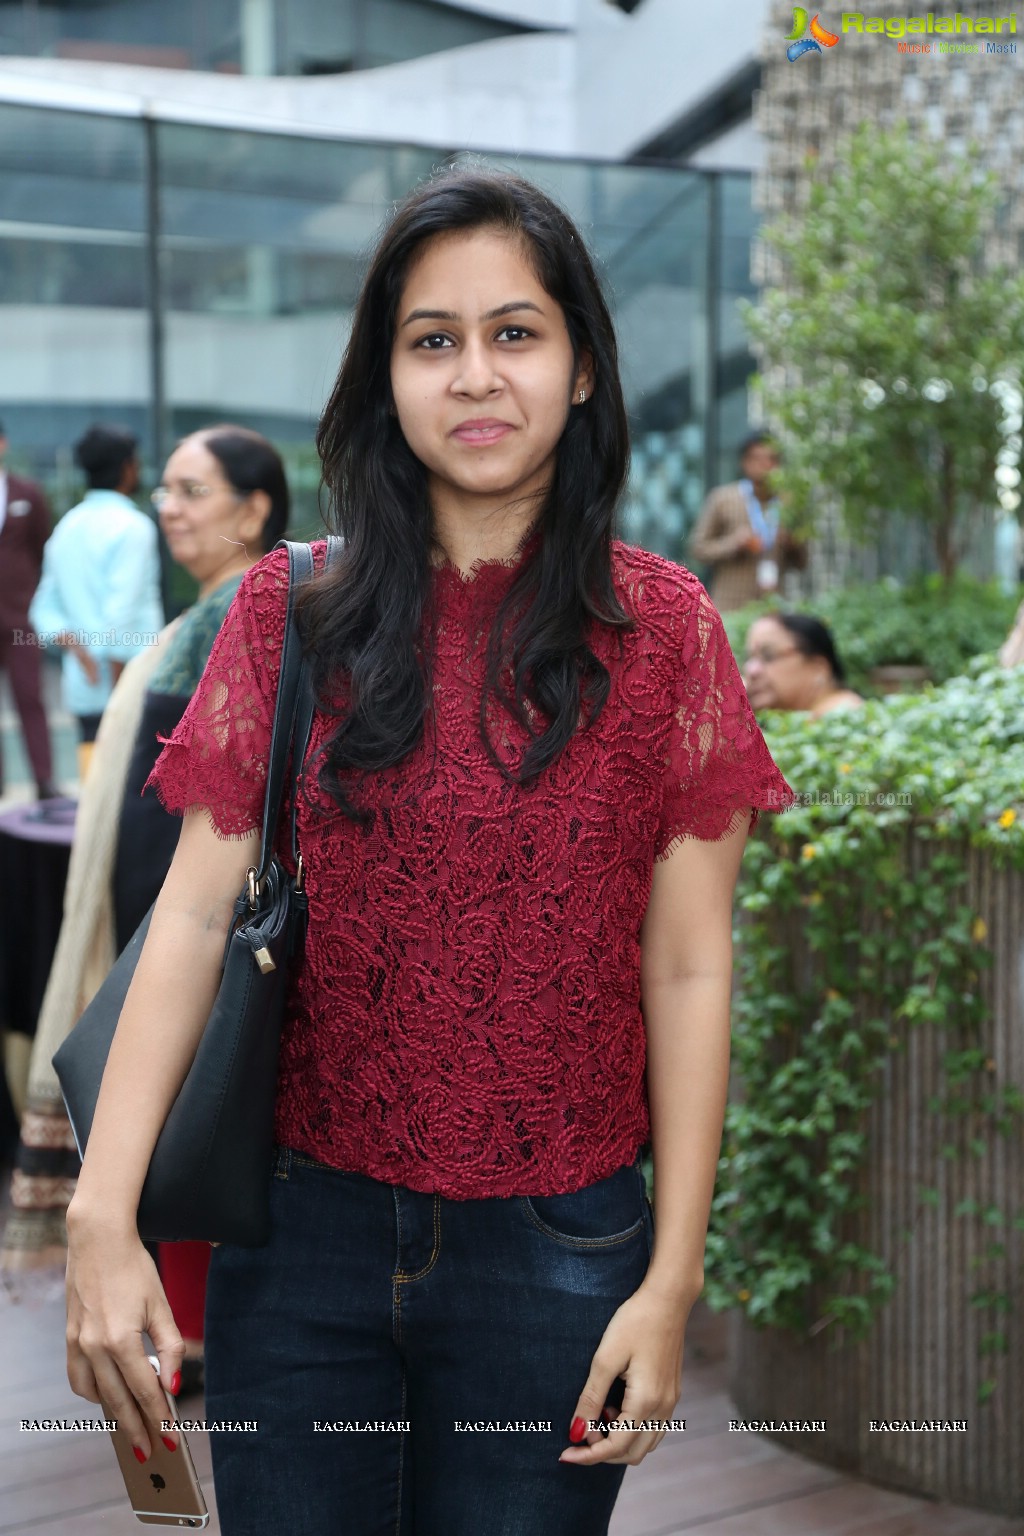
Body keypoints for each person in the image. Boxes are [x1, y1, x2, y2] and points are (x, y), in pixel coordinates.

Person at [63, 168, 794, 1536]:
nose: (477, 375)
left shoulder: (669, 631)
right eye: (432, 339)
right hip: (301, 1240)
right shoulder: (293, 611)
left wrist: (674, 1278)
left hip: (566, 1248)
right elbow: (194, 915)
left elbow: (691, 967)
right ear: (384, 377)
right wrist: (103, 1216)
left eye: (516, 333)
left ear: (582, 369)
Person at [4, 428, 287, 1394]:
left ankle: (194, 1335)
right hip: (168, 921)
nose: (169, 507)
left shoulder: (252, 617)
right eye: (163, 488)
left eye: (193, 490)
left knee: (200, 1120)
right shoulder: (205, 614)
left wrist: (170, 933)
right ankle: (187, 1331)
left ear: (256, 510)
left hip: (197, 927)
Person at [29, 424, 163, 753]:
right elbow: (121, 615)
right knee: (130, 798)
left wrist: (80, 652)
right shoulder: (134, 527)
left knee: (94, 793)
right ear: (127, 468)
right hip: (130, 693)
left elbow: (43, 609)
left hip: (84, 692)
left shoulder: (66, 527)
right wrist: (118, 698)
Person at [0, 420, 57, 799]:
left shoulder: (28, 493)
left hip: (20, 619)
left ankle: (44, 781)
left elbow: (42, 552)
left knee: (30, 696)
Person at [689, 431, 807, 613]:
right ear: (744, 462)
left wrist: (792, 543)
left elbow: (803, 563)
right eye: (757, 458)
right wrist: (734, 543)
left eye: (772, 458)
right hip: (730, 608)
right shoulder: (722, 499)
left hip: (774, 608)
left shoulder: (789, 503)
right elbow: (698, 549)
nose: (765, 465)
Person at [742, 613, 863, 718]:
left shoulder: (843, 714)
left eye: (769, 656)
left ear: (818, 668)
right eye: (749, 658)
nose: (751, 670)